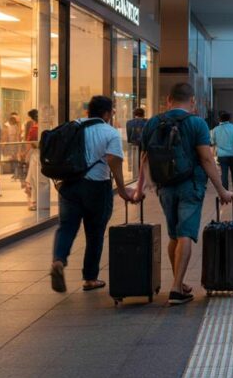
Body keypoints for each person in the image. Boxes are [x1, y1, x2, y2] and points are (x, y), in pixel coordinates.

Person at [135, 83, 233, 305]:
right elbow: (207, 159)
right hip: (190, 185)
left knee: (174, 235)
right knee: (185, 234)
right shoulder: (196, 123)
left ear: (168, 100)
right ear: (192, 102)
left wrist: (139, 189)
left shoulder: (153, 122)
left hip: (164, 187)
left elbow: (143, 158)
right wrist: (221, 190)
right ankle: (176, 288)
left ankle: (178, 283)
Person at [49, 96, 133, 293]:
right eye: (112, 111)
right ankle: (90, 278)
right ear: (106, 113)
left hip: (69, 185)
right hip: (97, 187)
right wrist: (121, 189)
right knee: (95, 233)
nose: (112, 115)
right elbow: (114, 161)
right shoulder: (109, 132)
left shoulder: (72, 126)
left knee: (66, 227)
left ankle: (58, 260)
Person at [210, 111, 233, 197]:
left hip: (222, 155)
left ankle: (225, 192)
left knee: (224, 174)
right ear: (229, 119)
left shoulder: (215, 130)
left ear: (219, 119)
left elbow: (212, 142)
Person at [23, 109, 39, 210]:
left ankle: (34, 202)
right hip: (42, 154)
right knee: (34, 178)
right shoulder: (45, 127)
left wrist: (24, 154)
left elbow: (30, 143)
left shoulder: (34, 129)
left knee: (33, 178)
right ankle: (35, 201)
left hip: (35, 155)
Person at [126, 108, 147, 178]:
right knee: (143, 161)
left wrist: (129, 142)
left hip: (134, 144)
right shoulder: (147, 122)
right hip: (144, 145)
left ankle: (135, 177)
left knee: (135, 160)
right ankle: (142, 176)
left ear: (134, 114)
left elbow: (128, 134)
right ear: (143, 114)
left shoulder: (129, 122)